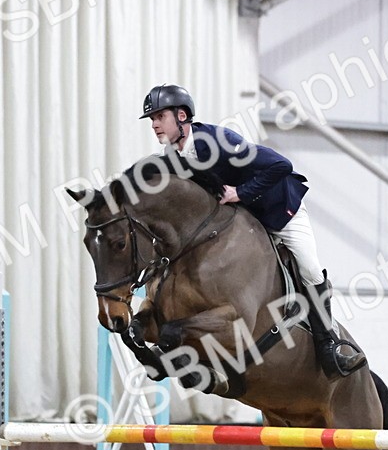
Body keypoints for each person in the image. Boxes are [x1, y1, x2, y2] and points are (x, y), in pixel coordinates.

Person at [140, 83, 366, 378]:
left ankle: (329, 345)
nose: (155, 124)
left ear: (182, 116)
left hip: (280, 210)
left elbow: (280, 165)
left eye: (160, 116)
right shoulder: (175, 155)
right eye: (152, 119)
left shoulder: (219, 141)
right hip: (245, 221)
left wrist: (240, 192)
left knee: (310, 268)